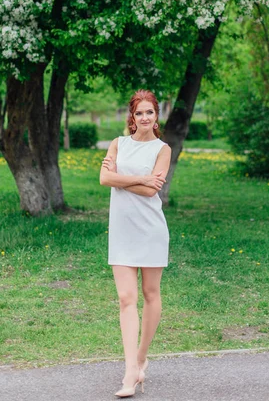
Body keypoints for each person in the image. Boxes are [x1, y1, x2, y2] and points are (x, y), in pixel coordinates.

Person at [100, 89, 171, 398]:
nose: (144, 118)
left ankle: (142, 358)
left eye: (150, 112)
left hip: (151, 230)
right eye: (139, 113)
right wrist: (140, 179)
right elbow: (104, 180)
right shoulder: (119, 143)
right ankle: (131, 371)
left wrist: (124, 178)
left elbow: (151, 193)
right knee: (126, 298)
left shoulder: (162, 149)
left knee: (150, 294)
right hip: (122, 231)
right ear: (132, 116)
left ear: (156, 117)